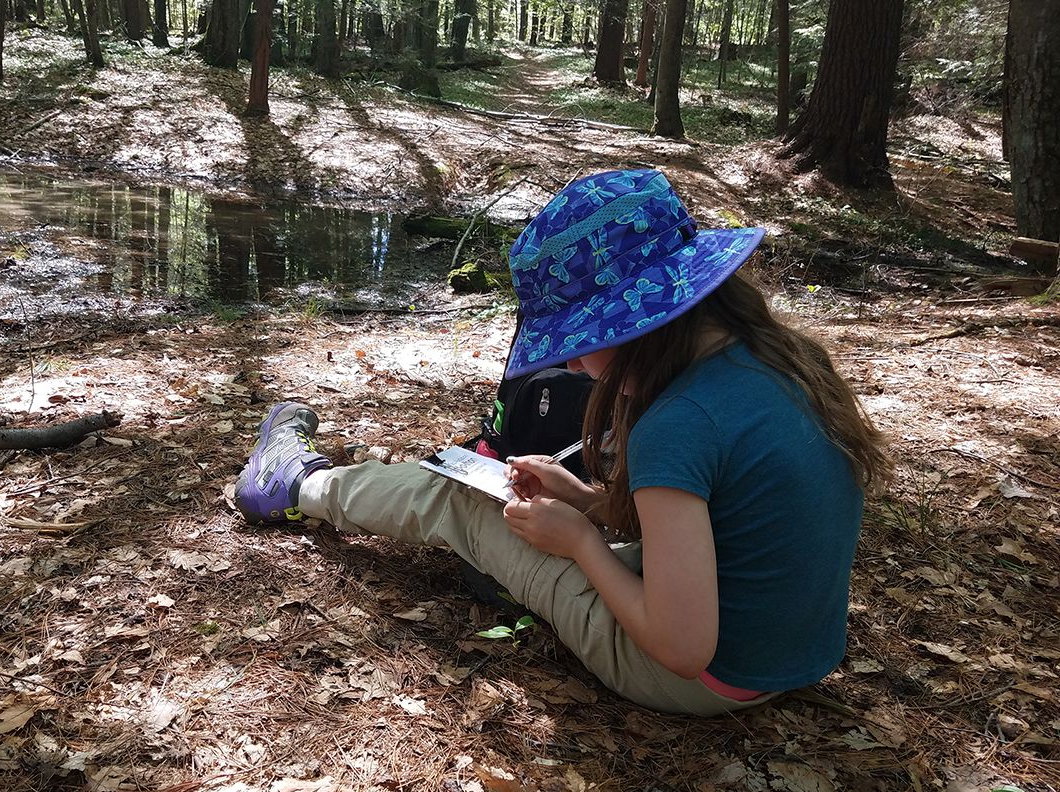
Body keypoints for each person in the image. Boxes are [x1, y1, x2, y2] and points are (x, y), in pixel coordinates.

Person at [235, 169, 893, 716]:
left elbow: (682, 647)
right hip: (785, 658)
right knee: (507, 498)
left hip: (701, 679)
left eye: (581, 344)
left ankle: (294, 484)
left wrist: (579, 540)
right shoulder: (783, 361)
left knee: (462, 499)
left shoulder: (679, 422)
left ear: (641, 324)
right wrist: (583, 500)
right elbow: (734, 525)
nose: (573, 369)